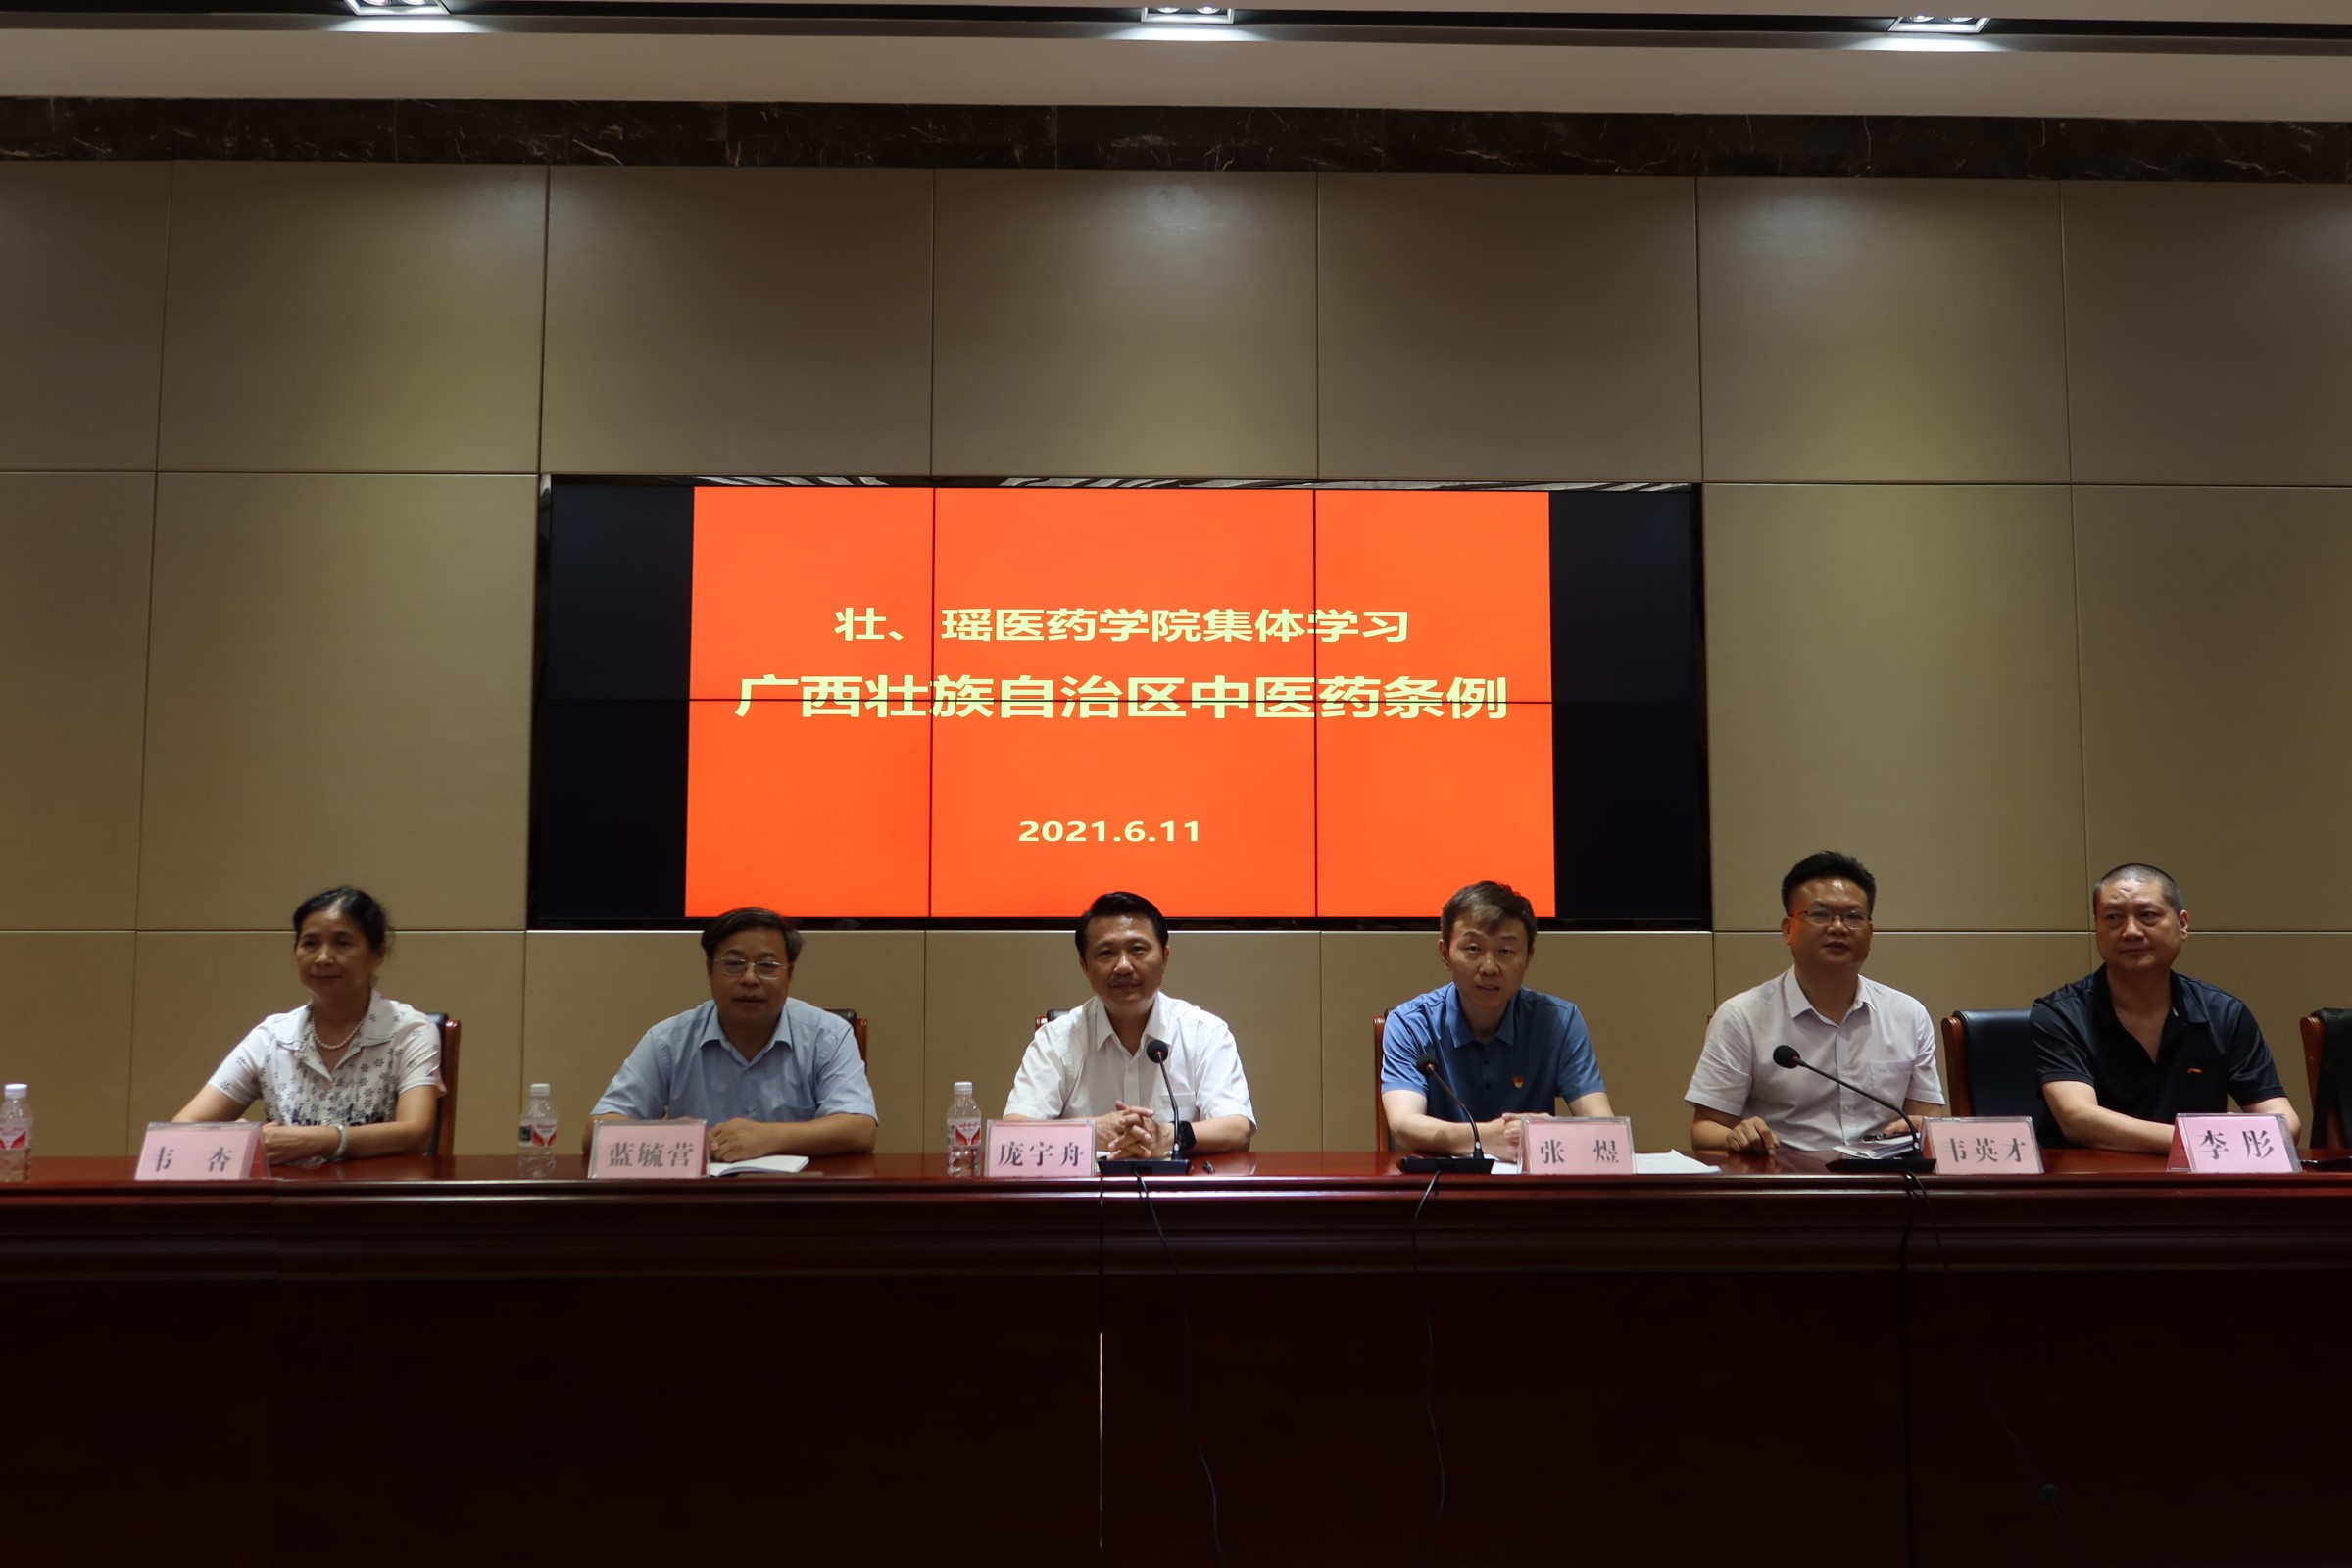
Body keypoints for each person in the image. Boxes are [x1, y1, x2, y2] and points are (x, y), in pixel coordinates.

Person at [1685, 851, 1943, 1155]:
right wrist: (1738, 1135)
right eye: (1820, 915)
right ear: (1787, 930)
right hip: (1786, 1176)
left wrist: (1922, 1127)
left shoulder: (1908, 1015)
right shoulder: (1742, 1017)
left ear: (1870, 932)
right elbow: (1705, 1129)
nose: (1838, 927)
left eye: (1853, 917)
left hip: (1885, 1176)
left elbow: (1928, 1118)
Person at [2034, 863, 2298, 1153]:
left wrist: (2217, 1139)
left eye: (2148, 915)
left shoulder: (2224, 1013)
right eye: (2113, 918)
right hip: (2095, 1179)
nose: (2131, 931)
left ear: (2182, 924)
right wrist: (2211, 1137)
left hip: (2196, 1179)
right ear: (2096, 927)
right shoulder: (2061, 1014)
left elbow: (2285, 1123)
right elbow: (2079, 1120)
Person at [172, 886, 443, 1164]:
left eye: (342, 943)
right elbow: (182, 1128)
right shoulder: (272, 1036)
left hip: (375, 1190)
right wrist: (239, 1137)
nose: (323, 958)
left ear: (378, 955)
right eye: (310, 943)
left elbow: (415, 1133)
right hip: (287, 1191)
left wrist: (317, 1140)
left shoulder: (409, 1031)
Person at [590, 906, 877, 1159]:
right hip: (699, 1199)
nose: (749, 979)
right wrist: (673, 1137)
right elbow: (596, 1131)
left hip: (795, 1198)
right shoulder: (669, 1039)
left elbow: (859, 1129)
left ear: (789, 974)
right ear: (710, 970)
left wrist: (767, 1137)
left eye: (767, 966)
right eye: (734, 964)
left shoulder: (827, 1035)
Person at [1004, 891, 1256, 1158]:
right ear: (1085, 967)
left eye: (1137, 949)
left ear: (1164, 958)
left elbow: (1237, 1129)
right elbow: (1012, 1132)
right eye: (1106, 953)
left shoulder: (1204, 1032)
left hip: (1176, 1185)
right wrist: (1090, 1131)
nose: (1123, 966)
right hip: (1087, 1186)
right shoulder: (1057, 1039)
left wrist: (1167, 1135)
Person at [1380, 880, 1612, 1160]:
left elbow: (1604, 1128)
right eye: (1473, 948)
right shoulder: (1410, 1024)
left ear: (1528, 957)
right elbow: (1404, 1127)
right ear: (1445, 954)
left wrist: (1545, 1131)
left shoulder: (1559, 1022)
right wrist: (1487, 1137)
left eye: (1506, 951)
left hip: (1529, 1186)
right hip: (1439, 1184)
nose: (1489, 968)